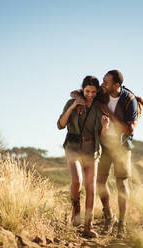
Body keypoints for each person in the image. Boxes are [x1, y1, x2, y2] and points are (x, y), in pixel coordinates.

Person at [71, 70, 138, 238]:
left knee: (121, 183)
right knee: (100, 182)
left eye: (106, 81)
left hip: (122, 146)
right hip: (104, 145)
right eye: (103, 80)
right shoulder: (101, 92)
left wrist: (107, 112)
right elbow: (75, 92)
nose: (103, 84)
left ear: (116, 85)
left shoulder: (129, 100)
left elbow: (129, 130)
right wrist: (78, 100)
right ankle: (109, 215)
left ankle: (121, 224)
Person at [57, 75, 108, 238]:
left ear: (97, 91)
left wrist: (105, 127)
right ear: (83, 89)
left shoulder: (99, 107)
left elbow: (101, 136)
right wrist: (72, 107)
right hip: (72, 146)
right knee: (77, 181)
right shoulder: (71, 102)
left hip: (91, 149)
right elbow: (60, 125)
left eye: (93, 91)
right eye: (87, 91)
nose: (90, 94)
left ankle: (88, 225)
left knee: (91, 187)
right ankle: (75, 206)